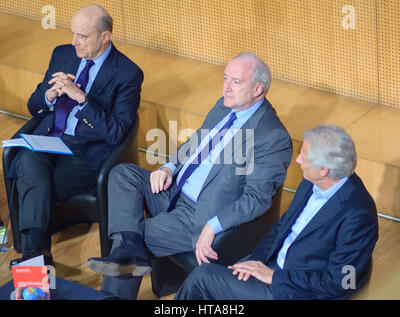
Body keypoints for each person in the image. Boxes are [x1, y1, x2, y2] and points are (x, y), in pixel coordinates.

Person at [87, 52, 293, 299]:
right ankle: (129, 247)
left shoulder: (271, 136)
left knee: (130, 238)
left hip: (198, 214)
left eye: (235, 82)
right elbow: (196, 142)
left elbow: (257, 199)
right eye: (225, 78)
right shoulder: (224, 105)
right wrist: (168, 168)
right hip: (174, 189)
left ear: (258, 88)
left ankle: (116, 282)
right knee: (123, 174)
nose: (226, 87)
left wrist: (212, 226)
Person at [7, 4, 144, 268]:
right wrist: (50, 95)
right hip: (49, 139)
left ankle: (33, 259)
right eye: (73, 34)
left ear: (105, 36)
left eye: (82, 36)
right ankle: (38, 259)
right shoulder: (63, 54)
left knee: (33, 182)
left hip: (85, 152)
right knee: (26, 160)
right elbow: (33, 106)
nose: (74, 42)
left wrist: (81, 99)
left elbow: (117, 132)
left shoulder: (128, 73)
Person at [175, 125, 379, 300]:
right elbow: (282, 228)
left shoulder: (358, 215)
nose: (298, 160)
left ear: (324, 170)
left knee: (202, 278)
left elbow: (339, 282)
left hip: (291, 289)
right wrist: (255, 260)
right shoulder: (312, 182)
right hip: (270, 266)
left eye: (304, 156)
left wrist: (274, 277)